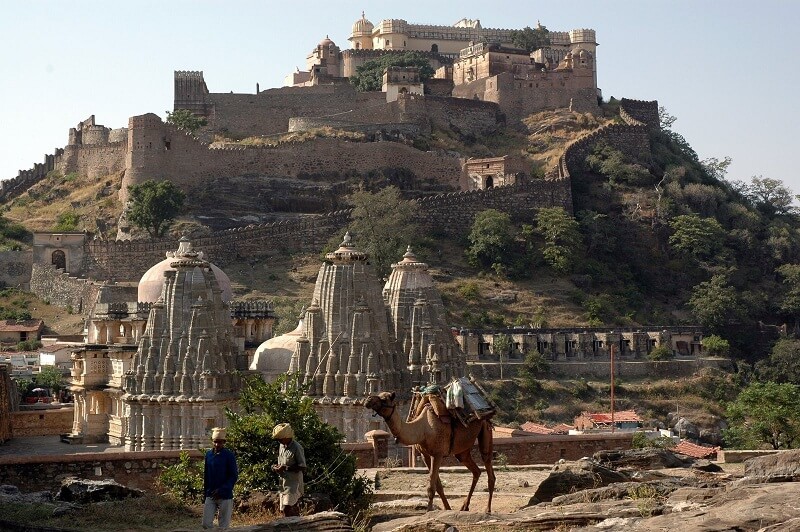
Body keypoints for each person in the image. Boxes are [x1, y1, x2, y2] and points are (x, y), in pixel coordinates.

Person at [202, 427, 238, 529]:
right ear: (212, 442)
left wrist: (222, 490)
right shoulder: (209, 455)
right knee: (206, 523)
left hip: (225, 495)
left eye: (220, 442)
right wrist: (205, 494)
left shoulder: (229, 456)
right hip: (211, 494)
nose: (217, 445)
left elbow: (233, 476)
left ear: (224, 442)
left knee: (223, 526)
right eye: (215, 442)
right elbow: (206, 475)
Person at [271, 423, 306, 517]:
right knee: (284, 510)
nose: (279, 441)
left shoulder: (297, 447)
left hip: (294, 484)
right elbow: (281, 462)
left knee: (288, 508)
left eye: (280, 439)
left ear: (287, 437)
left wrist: (286, 468)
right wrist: (276, 467)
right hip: (283, 483)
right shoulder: (282, 446)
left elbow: (302, 467)